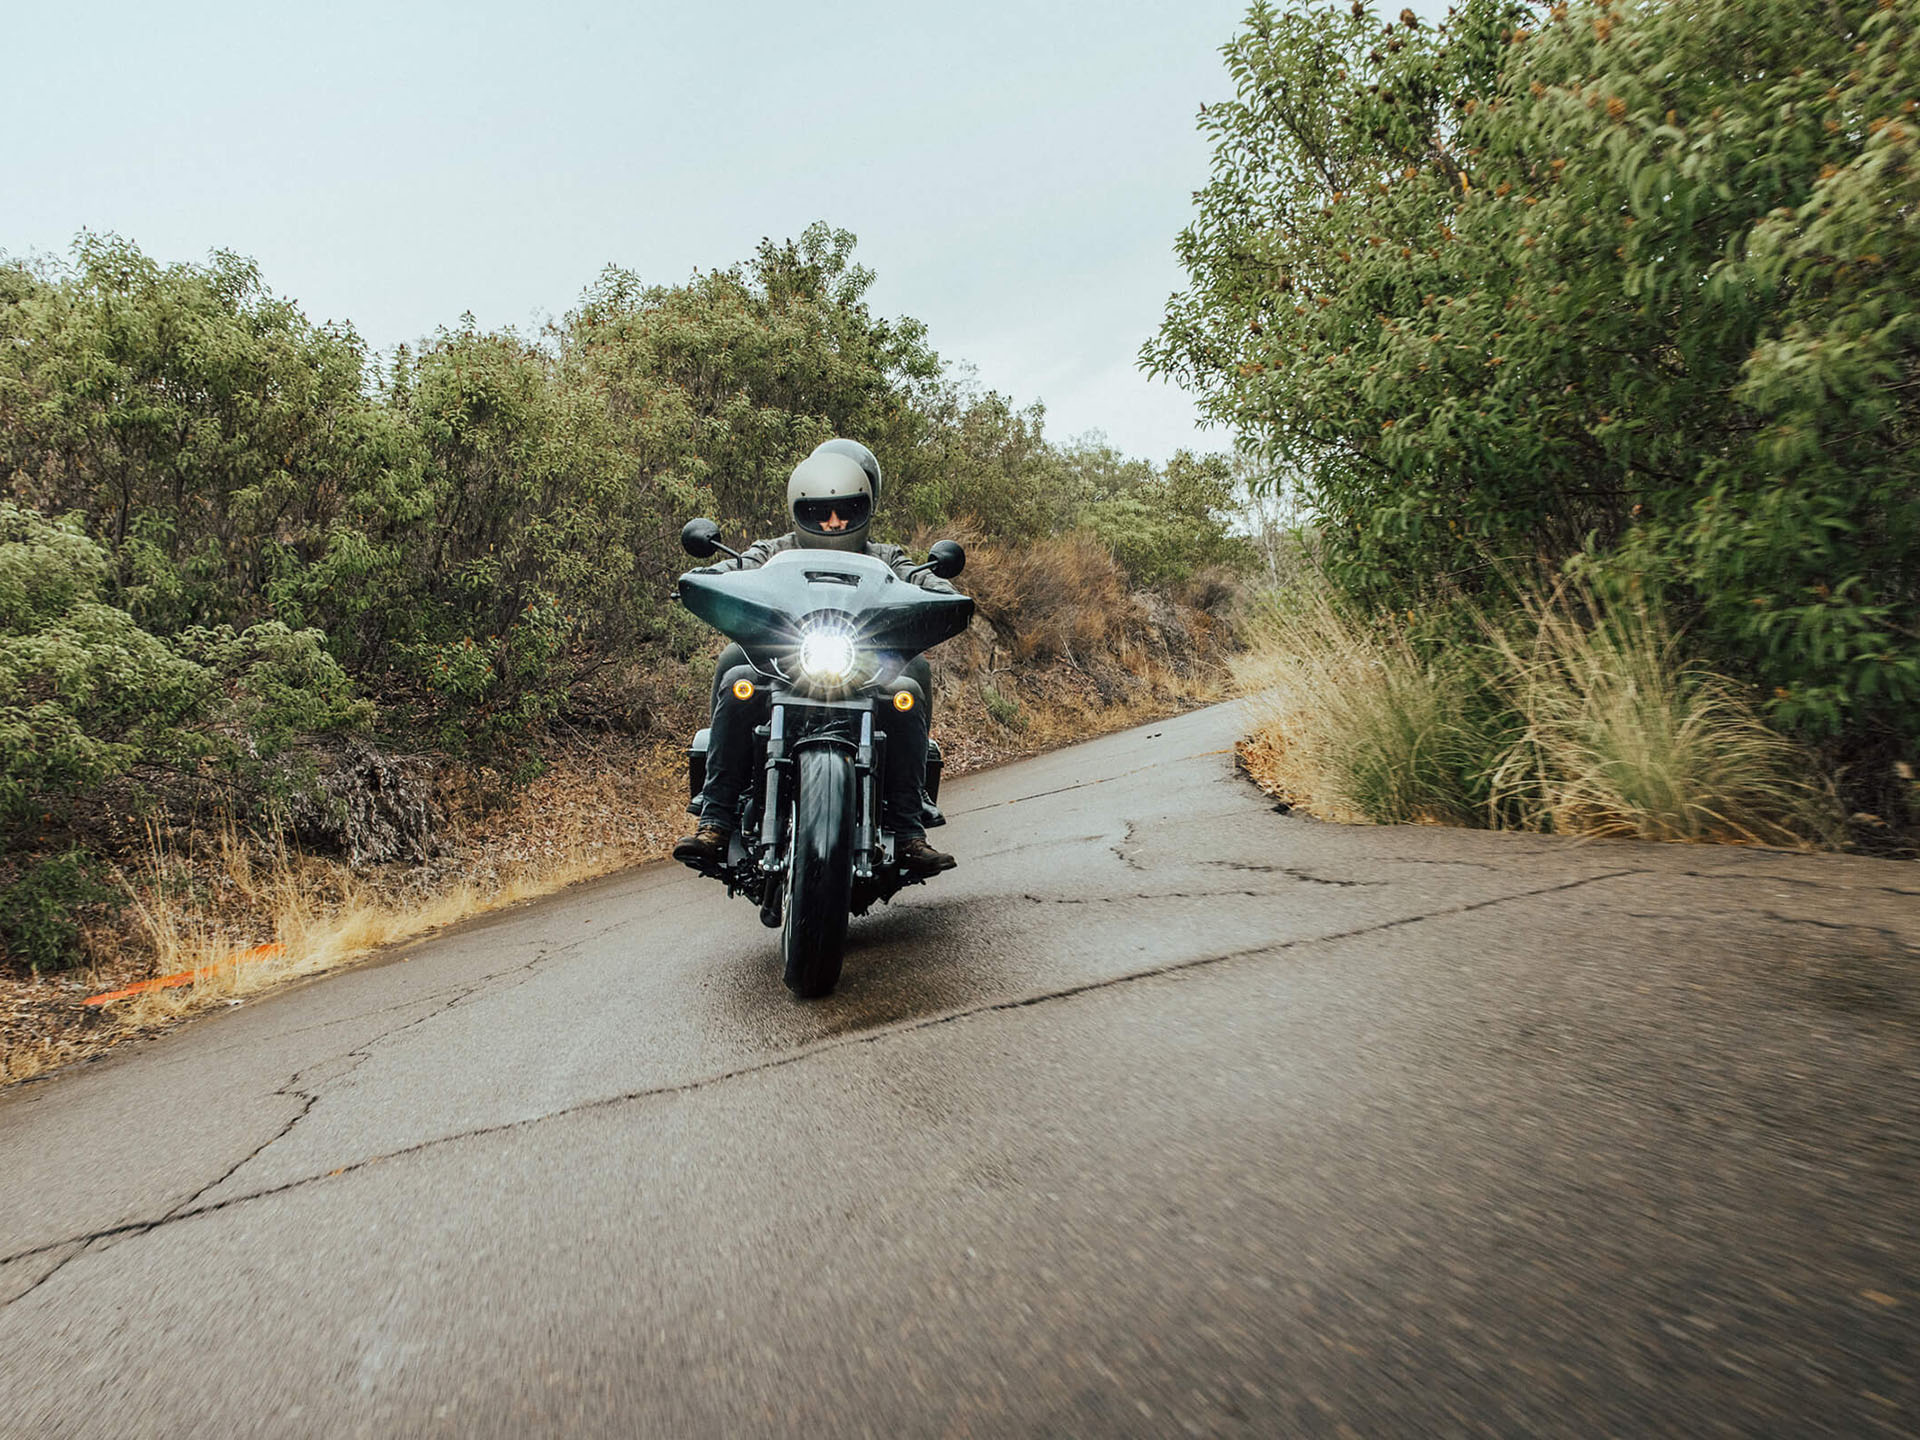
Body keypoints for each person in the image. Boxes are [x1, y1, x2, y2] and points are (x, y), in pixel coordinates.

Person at [673, 439, 958, 876]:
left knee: (910, 684)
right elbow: (731, 572)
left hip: (860, 666)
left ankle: (907, 831)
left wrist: (939, 596)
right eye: (819, 513)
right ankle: (716, 818)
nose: (833, 521)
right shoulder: (773, 551)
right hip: (787, 661)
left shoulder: (886, 558)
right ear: (798, 511)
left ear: (864, 508)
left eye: (845, 511)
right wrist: (708, 580)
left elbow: (926, 586)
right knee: (735, 675)